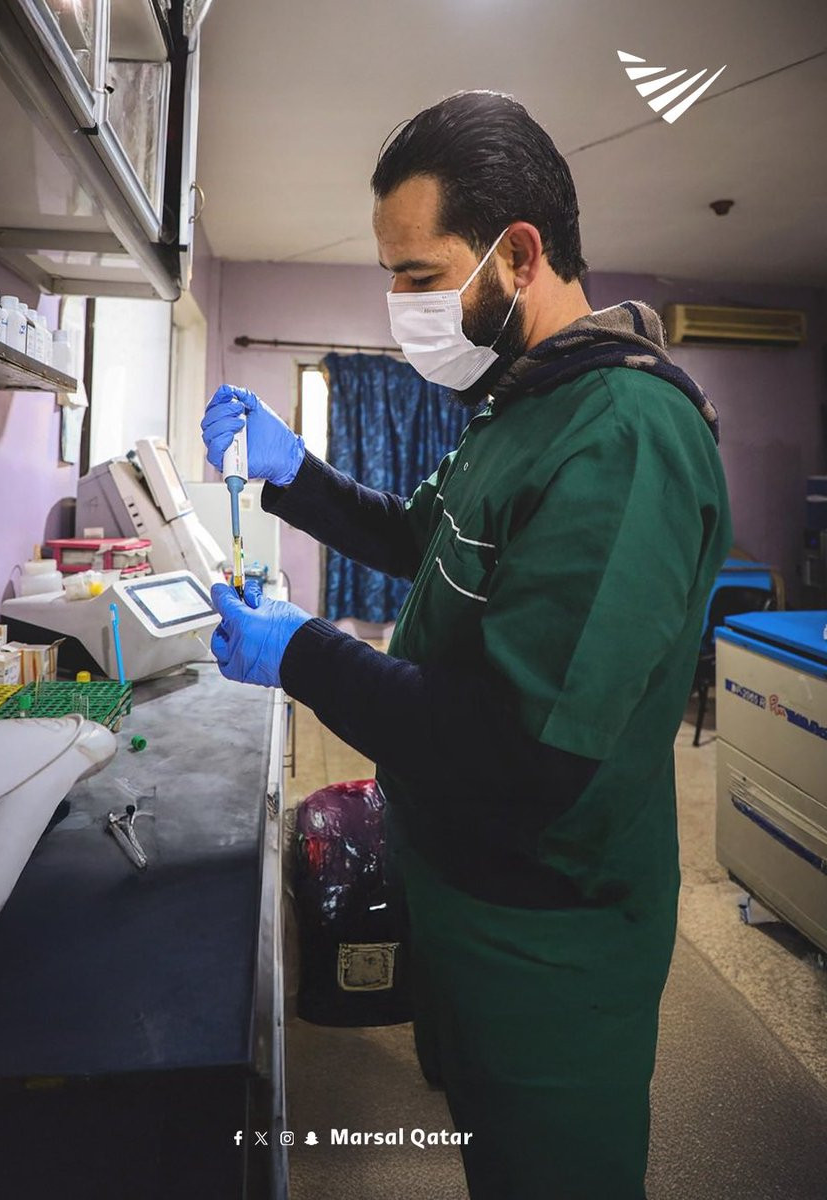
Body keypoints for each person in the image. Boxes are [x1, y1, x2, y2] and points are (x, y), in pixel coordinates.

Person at [200, 90, 732, 1200]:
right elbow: (423, 539)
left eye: (418, 275)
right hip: (454, 862)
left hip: (546, 922)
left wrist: (302, 653)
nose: (399, 306)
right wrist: (295, 474)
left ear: (519, 254)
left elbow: (522, 747)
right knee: (477, 1117)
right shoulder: (519, 405)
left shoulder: (624, 437)